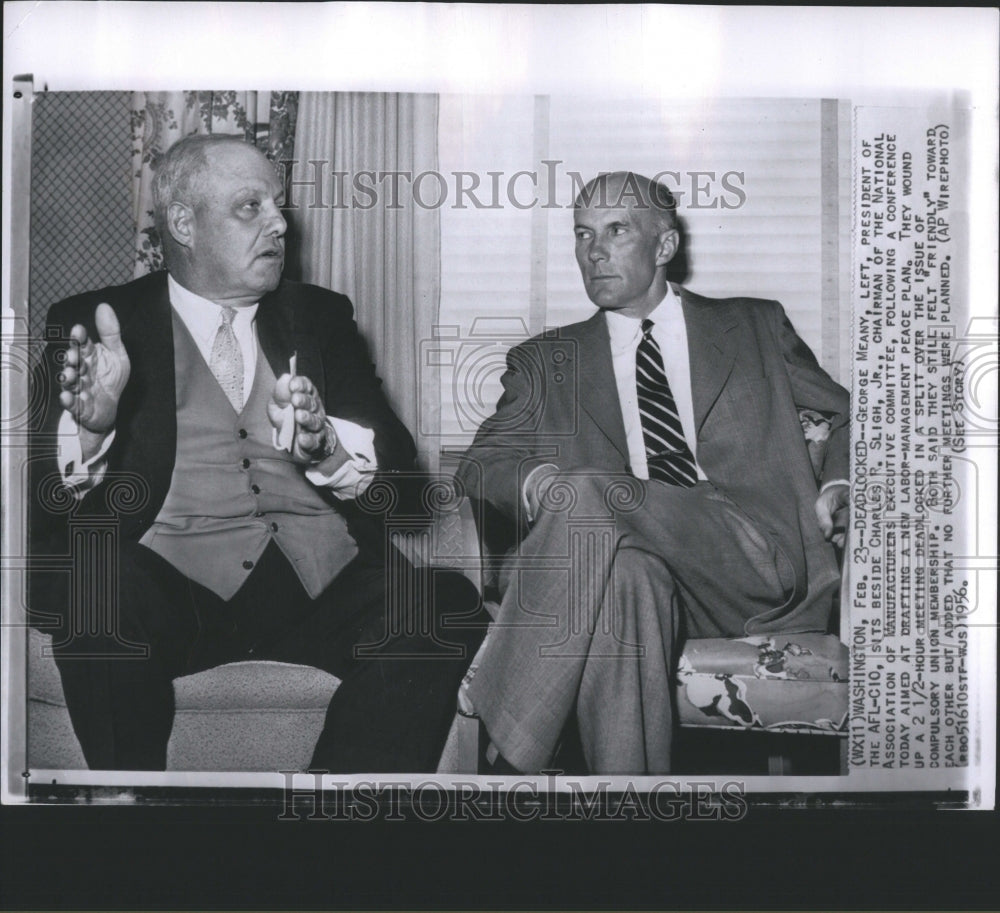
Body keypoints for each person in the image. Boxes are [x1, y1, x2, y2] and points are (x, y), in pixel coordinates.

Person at [29, 133, 483, 772]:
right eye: (251, 207)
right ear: (184, 223)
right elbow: (34, 499)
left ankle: (329, 829)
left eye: (279, 205)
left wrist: (328, 450)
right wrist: (91, 431)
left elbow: (400, 472)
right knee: (100, 591)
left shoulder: (319, 316)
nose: (278, 223)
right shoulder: (99, 320)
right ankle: (130, 825)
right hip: (172, 590)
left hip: (320, 585)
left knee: (447, 605)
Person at [457, 171, 850, 774]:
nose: (595, 251)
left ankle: (504, 732)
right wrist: (538, 487)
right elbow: (483, 465)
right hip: (626, 562)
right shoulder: (545, 360)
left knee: (589, 491)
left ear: (664, 247)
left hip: (752, 564)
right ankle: (632, 829)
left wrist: (839, 483)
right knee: (624, 581)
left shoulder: (753, 326)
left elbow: (852, 417)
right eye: (583, 234)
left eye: (617, 230)